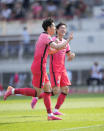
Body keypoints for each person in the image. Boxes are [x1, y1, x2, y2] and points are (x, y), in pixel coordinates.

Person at [4, 18, 73, 120]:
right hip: (39, 67)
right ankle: (13, 90)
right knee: (37, 93)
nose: (55, 28)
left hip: (41, 67)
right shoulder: (46, 37)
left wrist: (61, 47)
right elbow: (56, 47)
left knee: (48, 90)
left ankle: (50, 115)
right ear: (49, 28)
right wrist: (68, 40)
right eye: (53, 26)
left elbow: (51, 50)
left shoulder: (43, 36)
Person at [31, 22, 75, 115]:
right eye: (61, 28)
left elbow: (69, 53)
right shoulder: (53, 40)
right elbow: (49, 52)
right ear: (57, 30)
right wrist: (66, 42)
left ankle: (56, 110)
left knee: (66, 89)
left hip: (62, 69)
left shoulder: (65, 42)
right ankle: (37, 97)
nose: (63, 30)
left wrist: (72, 55)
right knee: (55, 90)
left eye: (65, 28)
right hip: (55, 69)